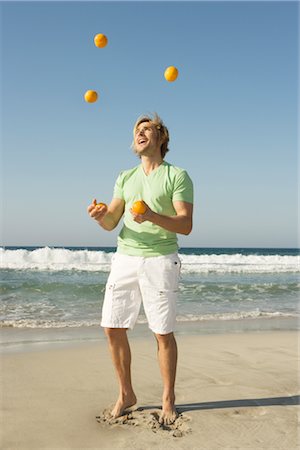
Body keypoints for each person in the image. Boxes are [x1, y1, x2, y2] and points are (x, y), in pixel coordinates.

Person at [87, 113, 193, 425]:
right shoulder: (125, 177)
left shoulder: (178, 175)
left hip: (161, 259)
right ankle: (126, 394)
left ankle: (167, 398)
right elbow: (111, 222)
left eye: (147, 129)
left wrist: (151, 215)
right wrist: (99, 215)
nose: (140, 133)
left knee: (162, 333)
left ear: (162, 139)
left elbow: (185, 224)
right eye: (137, 130)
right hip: (125, 258)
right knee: (112, 327)